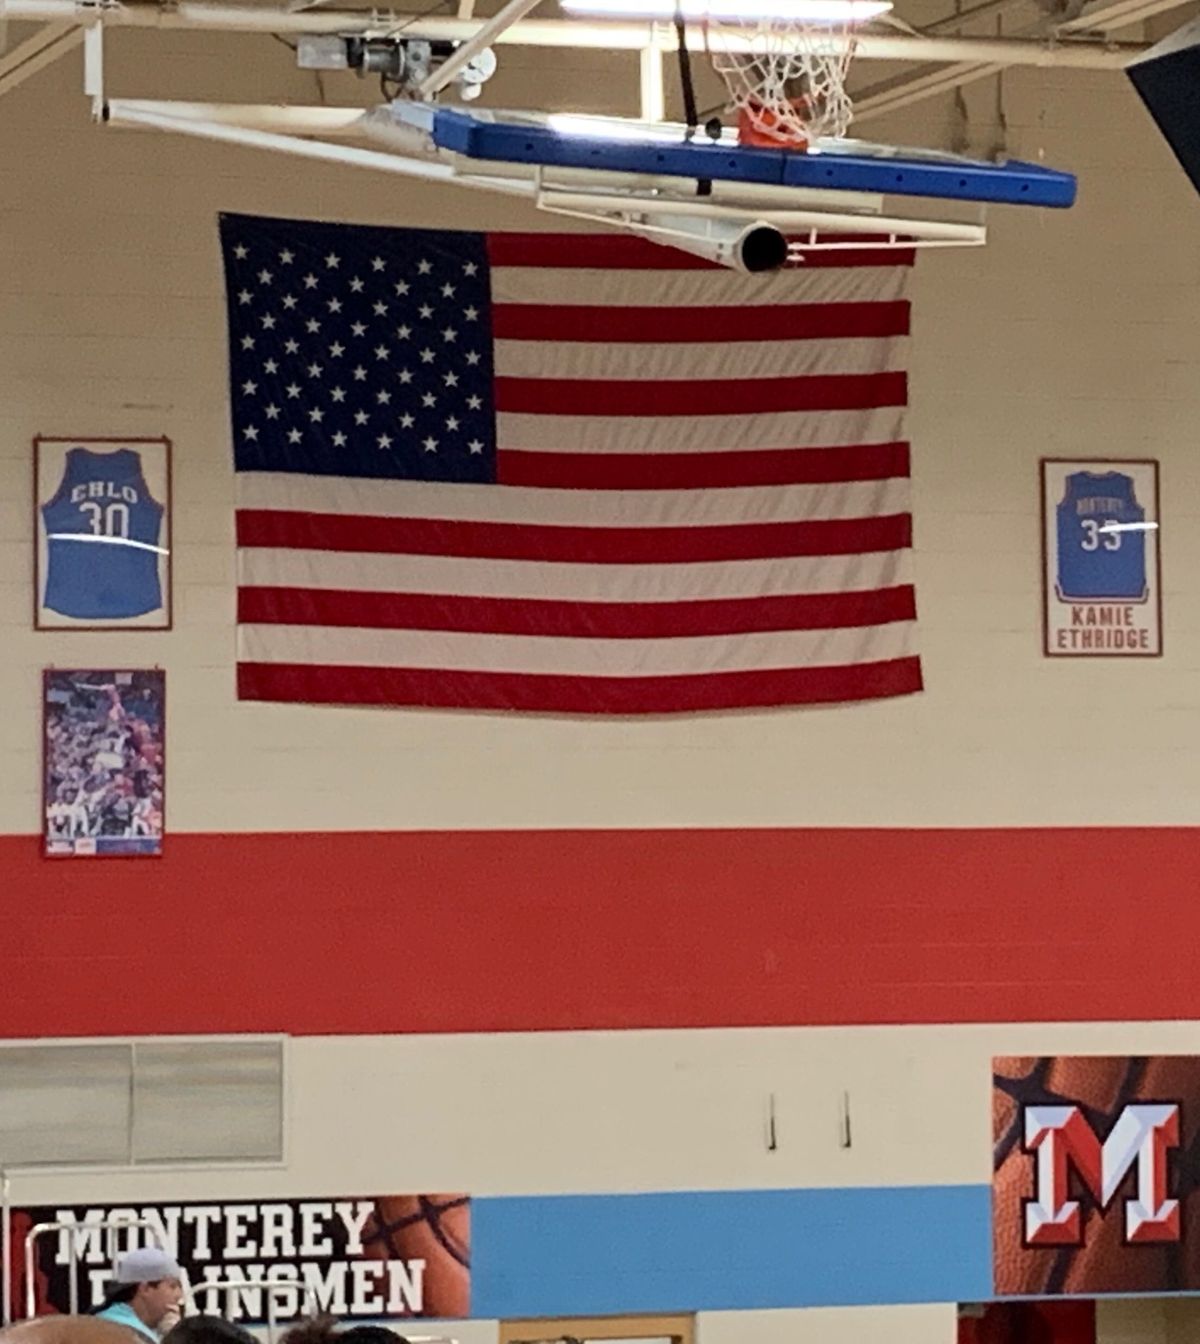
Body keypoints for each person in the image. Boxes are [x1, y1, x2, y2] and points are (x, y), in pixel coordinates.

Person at [94, 1249, 185, 1342]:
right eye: (172, 1286)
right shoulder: (121, 1333)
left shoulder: (101, 1321)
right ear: (145, 1289)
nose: (179, 1295)